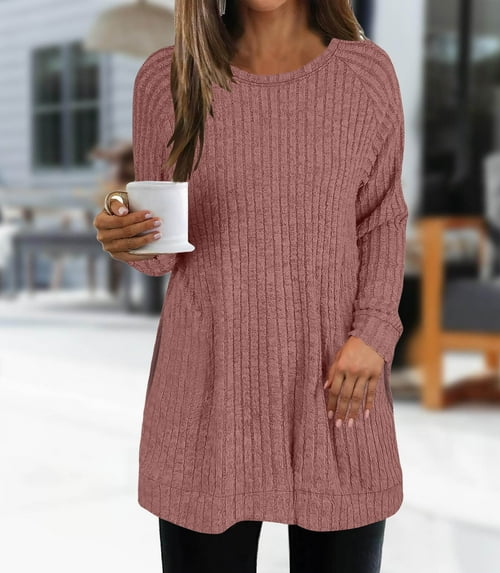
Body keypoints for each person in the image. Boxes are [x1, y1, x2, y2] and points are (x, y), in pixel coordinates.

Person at [93, 0, 408, 571]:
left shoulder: (366, 74)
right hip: (208, 391)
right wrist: (128, 236)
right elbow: (161, 257)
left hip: (335, 381)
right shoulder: (168, 77)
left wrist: (374, 334)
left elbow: (382, 217)